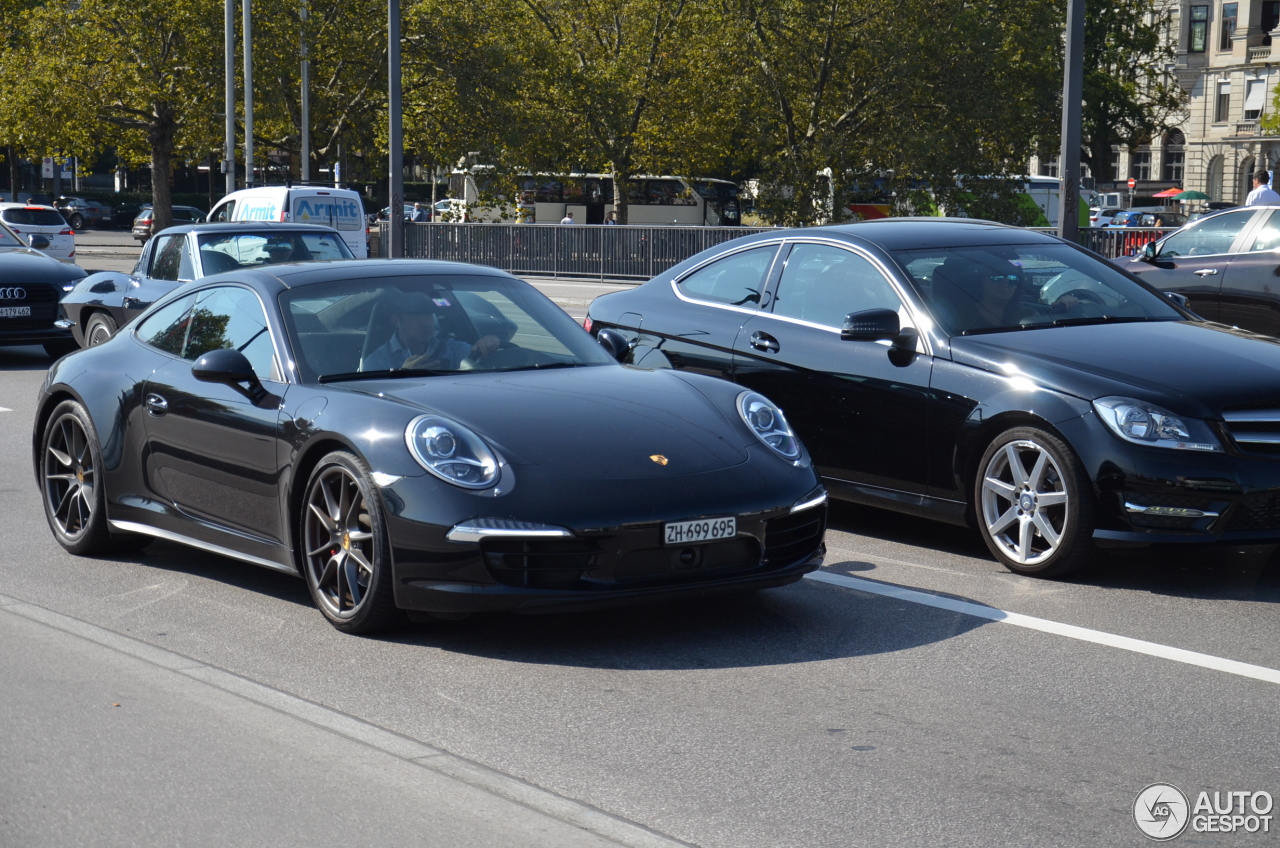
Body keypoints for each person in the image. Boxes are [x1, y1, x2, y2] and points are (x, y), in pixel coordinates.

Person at [362, 292, 501, 372]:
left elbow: (476, 354)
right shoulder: (377, 362)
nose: (427, 322)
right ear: (396, 321)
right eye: (417, 316)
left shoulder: (450, 348)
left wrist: (489, 342)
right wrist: (403, 375)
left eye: (429, 315)